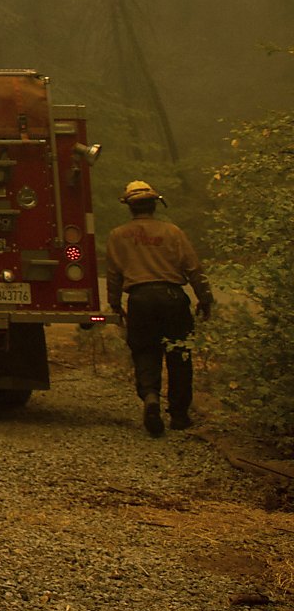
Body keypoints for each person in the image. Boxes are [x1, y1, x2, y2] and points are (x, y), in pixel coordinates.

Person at [106, 179, 214, 437]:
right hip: (172, 298)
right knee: (180, 357)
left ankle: (151, 396)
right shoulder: (173, 232)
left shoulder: (117, 235)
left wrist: (114, 305)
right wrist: (205, 298)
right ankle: (179, 415)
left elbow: (113, 275)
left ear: (130, 207)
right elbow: (193, 268)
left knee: (145, 352)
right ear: (154, 204)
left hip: (140, 300)